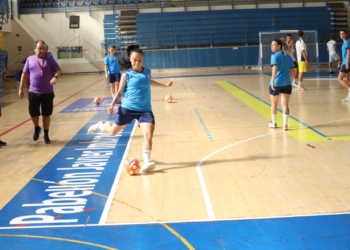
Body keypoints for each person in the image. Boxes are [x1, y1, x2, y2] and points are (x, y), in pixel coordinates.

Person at [88, 44, 173, 172]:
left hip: (145, 110)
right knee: (113, 131)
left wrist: (165, 86)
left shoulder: (147, 71)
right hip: (127, 108)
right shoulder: (126, 74)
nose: (137, 63)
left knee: (149, 133)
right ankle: (101, 126)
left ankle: (147, 162)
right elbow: (119, 91)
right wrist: (112, 104)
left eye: (140, 60)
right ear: (130, 59)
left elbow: (149, 81)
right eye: (135, 60)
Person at [19, 40, 61, 144]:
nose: (42, 50)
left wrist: (55, 77)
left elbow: (58, 70)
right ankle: (37, 127)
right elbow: (24, 74)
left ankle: (46, 135)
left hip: (47, 92)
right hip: (34, 91)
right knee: (34, 113)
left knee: (46, 114)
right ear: (34, 49)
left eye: (43, 48)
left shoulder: (50, 60)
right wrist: (20, 89)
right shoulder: (29, 60)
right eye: (39, 48)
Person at [268, 39, 294, 131]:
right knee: (285, 105)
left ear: (279, 46)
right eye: (271, 45)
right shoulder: (288, 56)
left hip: (276, 82)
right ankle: (285, 124)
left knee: (274, 103)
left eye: (274, 45)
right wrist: (291, 79)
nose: (272, 47)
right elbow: (293, 69)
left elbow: (274, 68)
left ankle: (274, 123)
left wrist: (273, 81)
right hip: (287, 83)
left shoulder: (274, 56)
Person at [337, 30, 350, 102]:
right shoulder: (345, 42)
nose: (341, 35)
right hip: (345, 63)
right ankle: (349, 97)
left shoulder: (347, 42)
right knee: (349, 80)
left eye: (343, 34)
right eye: (340, 34)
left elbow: (349, 52)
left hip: (347, 63)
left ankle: (349, 90)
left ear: (346, 34)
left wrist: (347, 63)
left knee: (339, 79)